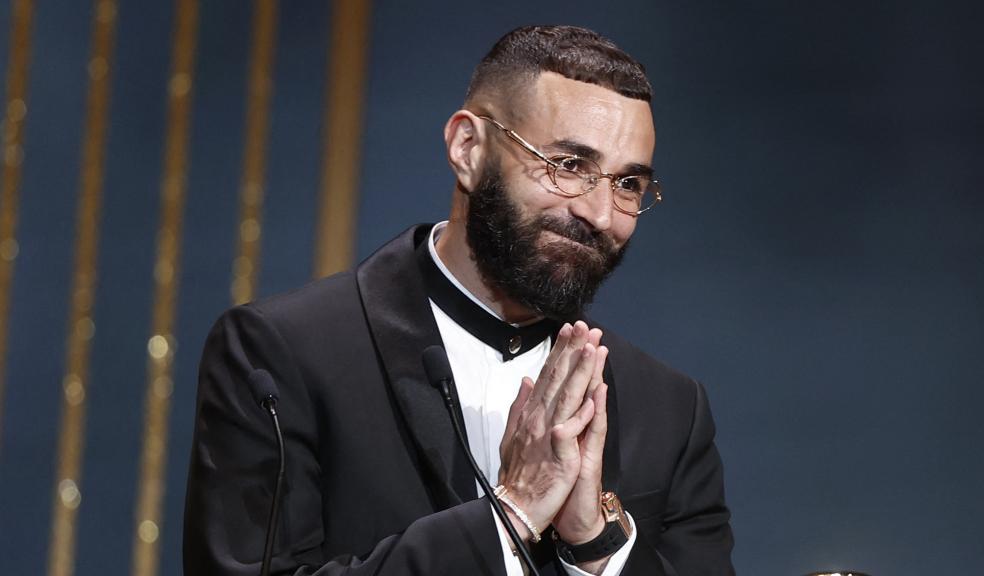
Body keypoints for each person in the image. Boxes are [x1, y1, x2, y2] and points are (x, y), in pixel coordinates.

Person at [184, 25, 734, 575]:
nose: (600, 213)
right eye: (569, 166)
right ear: (468, 149)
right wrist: (511, 514)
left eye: (628, 185)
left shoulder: (669, 411)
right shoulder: (282, 355)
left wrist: (593, 545)